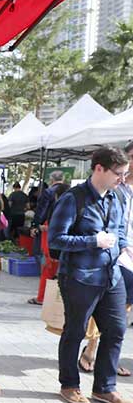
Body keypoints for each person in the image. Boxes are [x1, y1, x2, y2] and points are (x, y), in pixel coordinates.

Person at [48, 146, 131, 403]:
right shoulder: (73, 199)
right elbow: (56, 240)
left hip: (111, 275)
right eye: (118, 173)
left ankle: (104, 388)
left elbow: (119, 232)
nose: (122, 179)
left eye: (124, 174)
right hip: (79, 278)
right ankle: (69, 385)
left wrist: (124, 247)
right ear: (99, 168)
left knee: (116, 330)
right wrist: (92, 241)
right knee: (75, 332)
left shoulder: (117, 197)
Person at [77, 141, 133, 378]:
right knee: (112, 310)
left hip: (128, 254)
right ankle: (91, 349)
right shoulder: (114, 188)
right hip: (114, 256)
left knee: (122, 312)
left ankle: (104, 357)